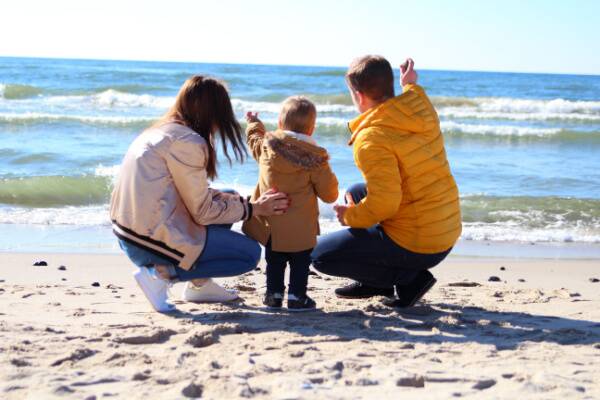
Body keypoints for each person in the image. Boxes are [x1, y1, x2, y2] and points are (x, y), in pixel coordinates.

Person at [110, 75, 289, 313]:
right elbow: (204, 213)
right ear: (212, 112)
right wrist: (254, 209)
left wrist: (245, 203)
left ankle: (199, 286)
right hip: (148, 243)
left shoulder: (163, 131)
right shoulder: (187, 142)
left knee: (229, 195)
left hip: (132, 234)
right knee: (248, 254)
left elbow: (190, 195)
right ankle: (161, 275)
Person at [311, 57, 462, 307]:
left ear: (358, 96)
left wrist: (350, 216)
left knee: (320, 256)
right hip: (446, 228)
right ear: (390, 85)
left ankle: (409, 279)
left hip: (420, 243)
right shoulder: (420, 106)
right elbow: (413, 91)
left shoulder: (371, 139)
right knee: (357, 191)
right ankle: (375, 283)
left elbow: (386, 204)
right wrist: (409, 83)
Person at [243, 96, 338, 311]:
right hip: (302, 229)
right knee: (300, 263)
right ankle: (297, 296)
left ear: (279, 123)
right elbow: (329, 194)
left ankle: (273, 295)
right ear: (312, 129)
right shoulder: (315, 159)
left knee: (274, 261)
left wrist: (253, 123)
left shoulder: (268, 147)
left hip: (272, 226)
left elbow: (254, 141)